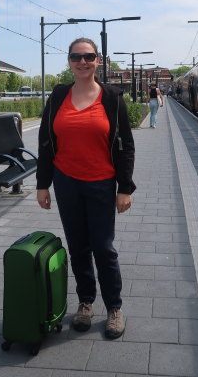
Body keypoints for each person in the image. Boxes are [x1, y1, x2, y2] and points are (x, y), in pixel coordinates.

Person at [36, 37, 136, 340]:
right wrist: (43, 184)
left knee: (103, 248)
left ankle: (114, 308)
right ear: (68, 61)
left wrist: (125, 187)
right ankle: (86, 302)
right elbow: (45, 143)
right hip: (66, 181)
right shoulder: (57, 98)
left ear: (98, 61)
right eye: (76, 57)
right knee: (78, 247)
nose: (82, 62)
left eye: (88, 57)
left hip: (102, 183)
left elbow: (126, 146)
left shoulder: (112, 98)